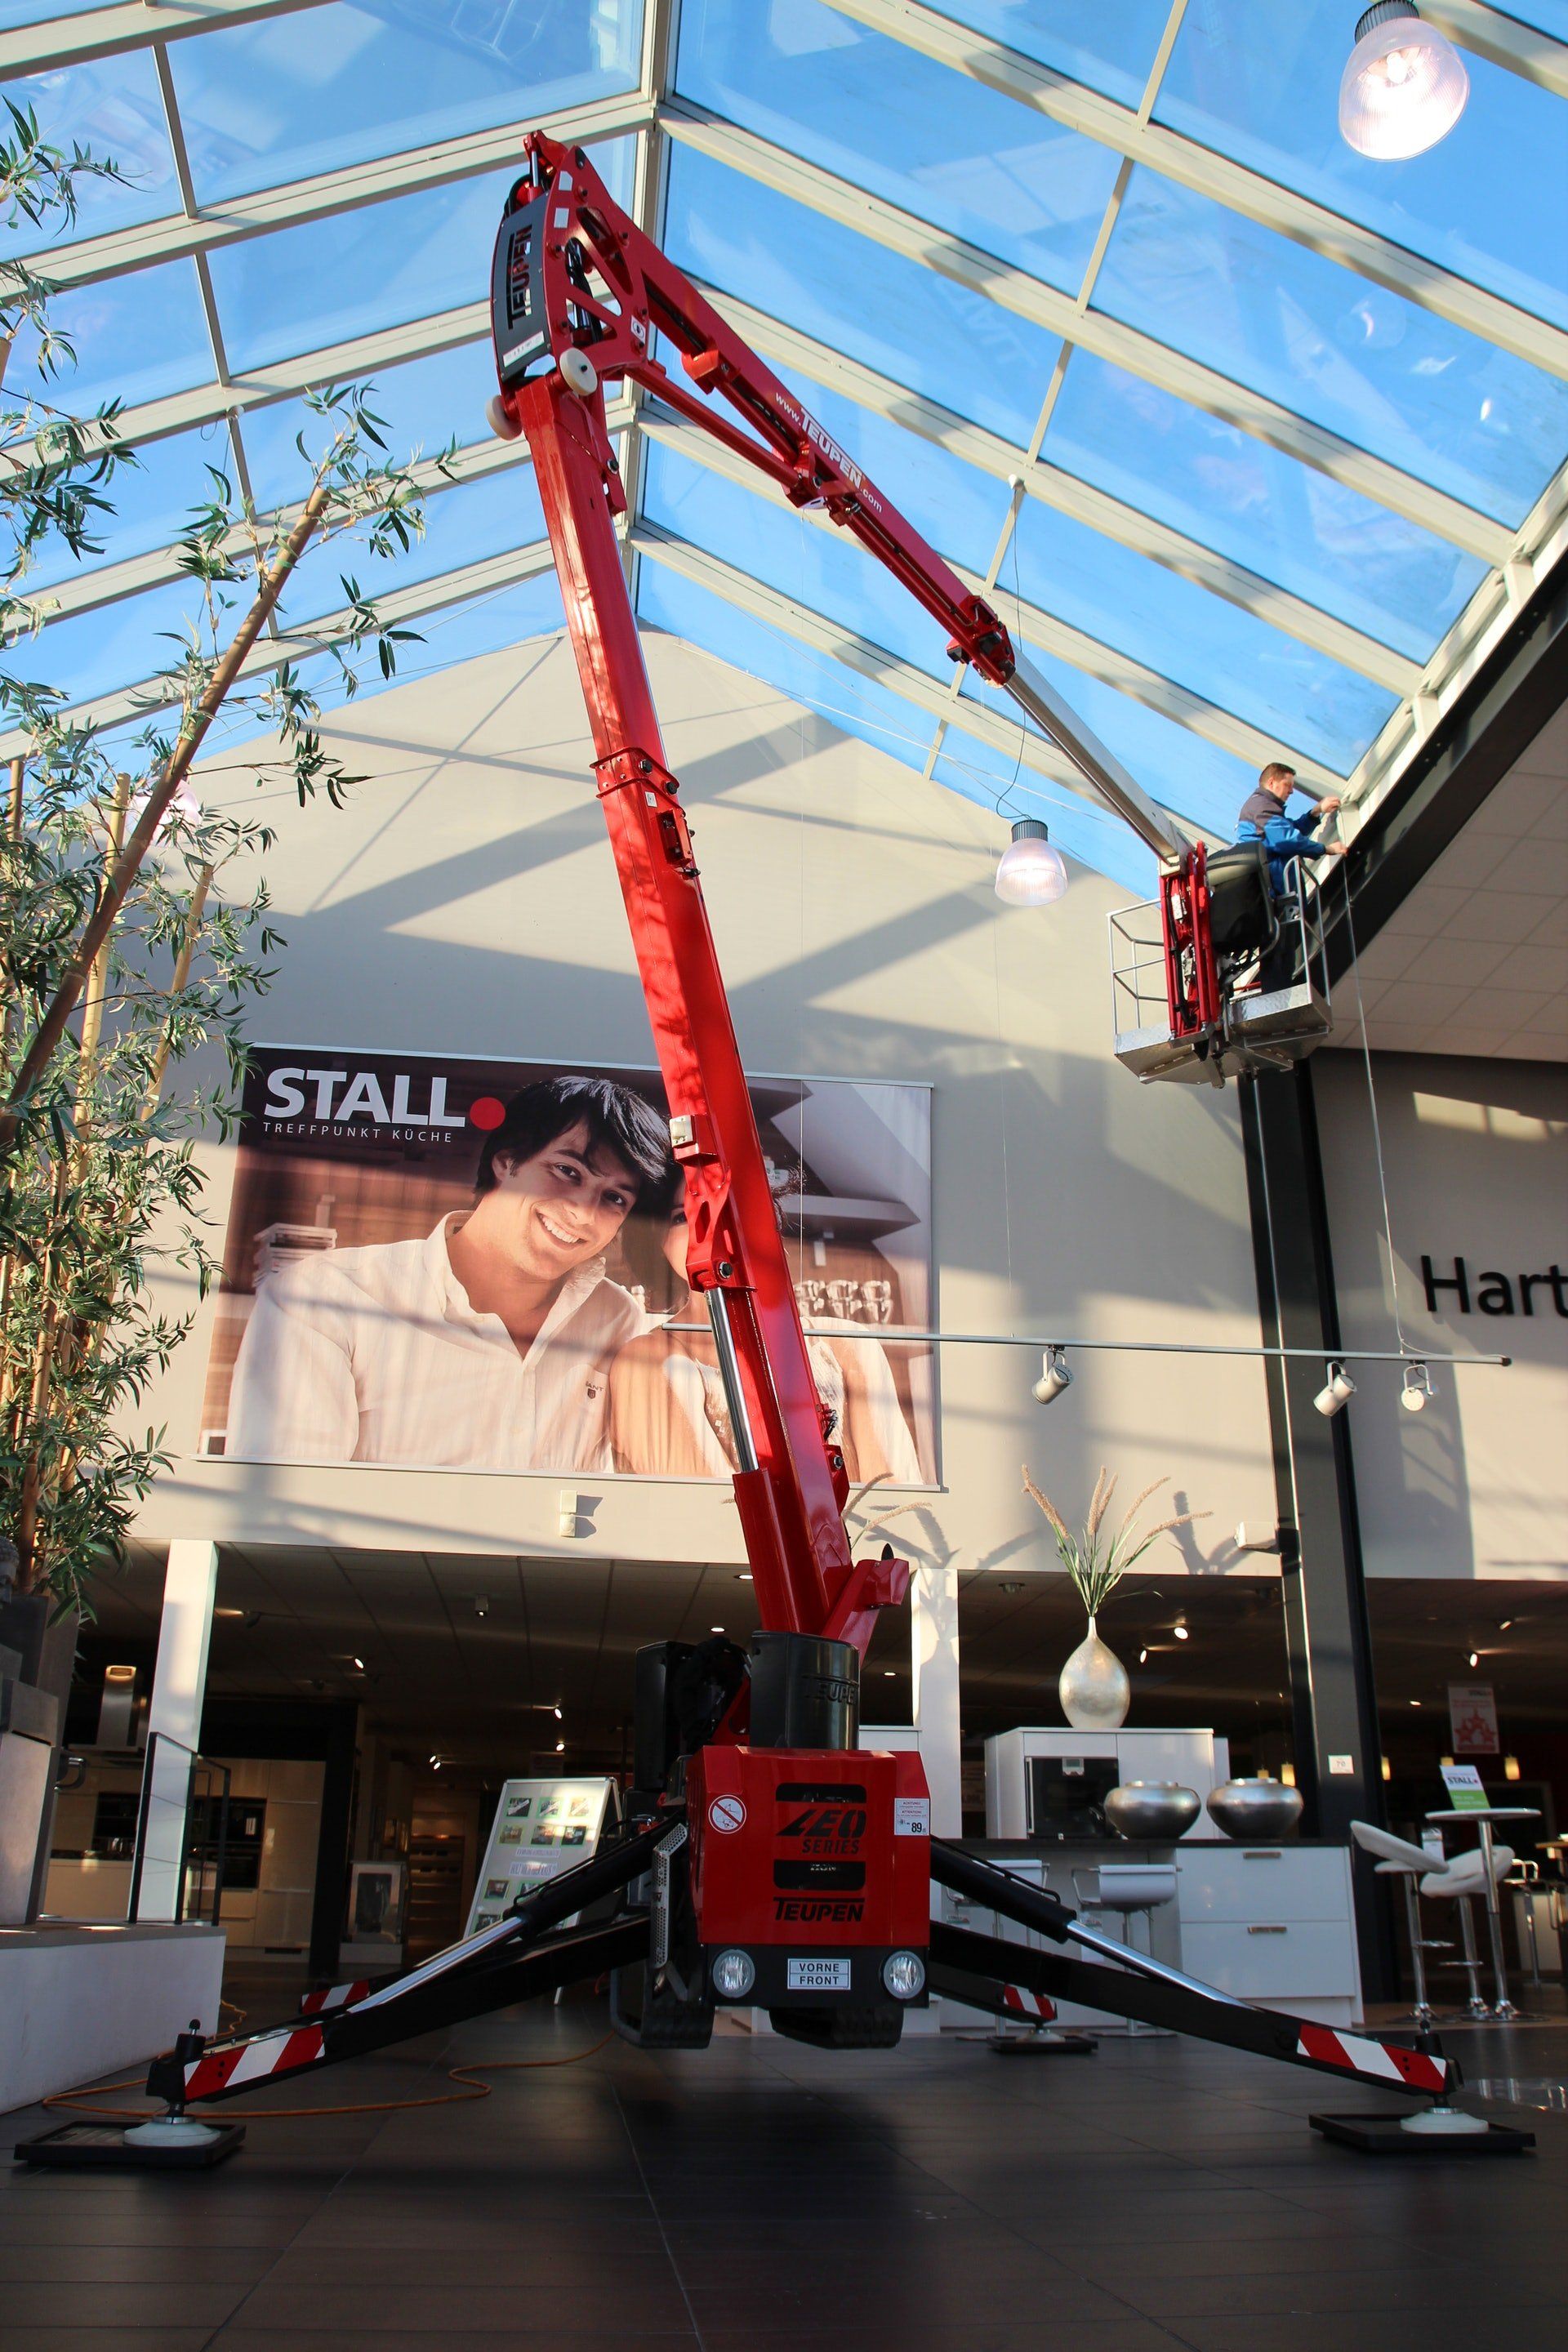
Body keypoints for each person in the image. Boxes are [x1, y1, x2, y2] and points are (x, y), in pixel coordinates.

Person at [227, 1075, 675, 1470]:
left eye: (615, 1197)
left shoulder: (618, 1321)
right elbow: (281, 1512)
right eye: (567, 1171)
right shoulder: (324, 1297)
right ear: (507, 1161)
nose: (581, 1213)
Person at [607, 1198, 922, 1485]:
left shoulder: (847, 1345)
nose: (711, 1231)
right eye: (680, 1217)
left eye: (728, 1208)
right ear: (658, 1242)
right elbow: (712, 1520)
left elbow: (898, 1504)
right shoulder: (651, 1360)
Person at [1236, 760, 1347, 899]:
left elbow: (1289, 831)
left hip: (1278, 887)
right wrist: (1326, 849)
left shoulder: (1263, 807)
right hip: (1277, 889)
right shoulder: (1262, 808)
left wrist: (1315, 812)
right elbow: (1288, 840)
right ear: (1271, 783)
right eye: (1287, 785)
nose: (1291, 791)